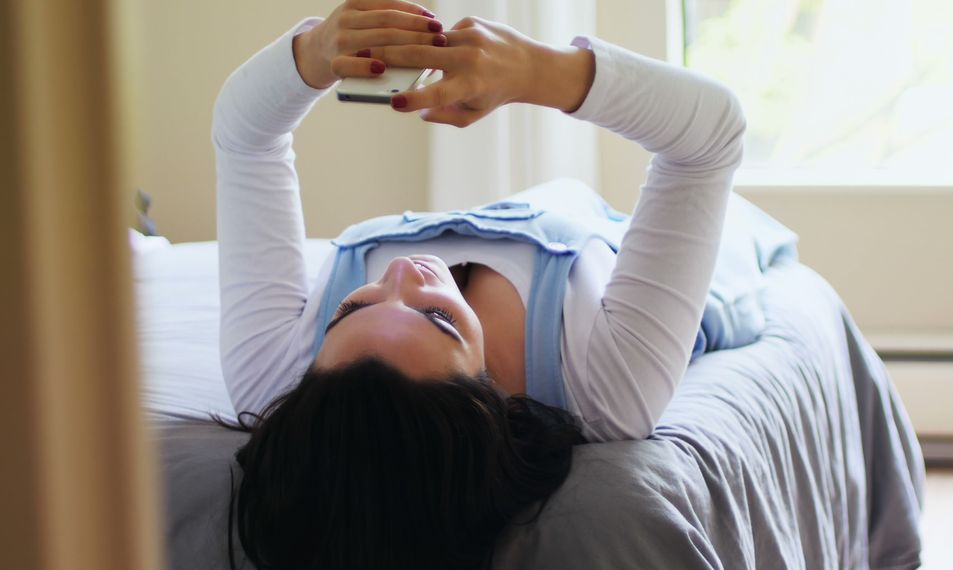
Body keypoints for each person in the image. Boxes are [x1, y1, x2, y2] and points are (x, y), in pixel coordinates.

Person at [213, 0, 752, 567]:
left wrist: (313, 55)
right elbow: (709, 138)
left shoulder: (273, 377)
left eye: (350, 310)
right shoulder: (607, 392)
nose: (402, 274)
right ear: (493, 411)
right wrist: (540, 72)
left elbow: (245, 140)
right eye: (438, 318)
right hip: (667, 251)